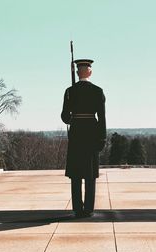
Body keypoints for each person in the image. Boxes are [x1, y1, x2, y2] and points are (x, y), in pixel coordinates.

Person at [61, 59, 106, 217]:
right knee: (90, 174)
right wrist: (102, 138)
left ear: (78, 73)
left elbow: (65, 117)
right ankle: (89, 209)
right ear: (90, 72)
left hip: (76, 134)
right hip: (92, 134)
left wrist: (73, 114)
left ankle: (77, 209)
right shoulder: (98, 91)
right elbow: (102, 117)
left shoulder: (69, 91)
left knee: (76, 173)